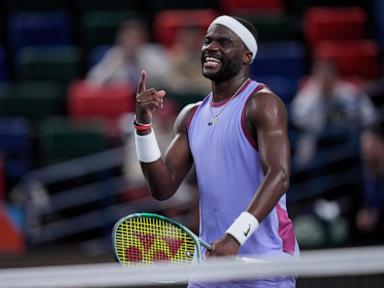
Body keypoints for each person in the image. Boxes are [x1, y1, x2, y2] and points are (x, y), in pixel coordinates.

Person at [134, 15, 298, 287]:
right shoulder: (191, 115)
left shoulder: (263, 104)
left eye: (224, 42)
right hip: (211, 264)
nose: (211, 47)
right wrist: (142, 124)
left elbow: (279, 175)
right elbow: (162, 187)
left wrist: (234, 237)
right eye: (208, 41)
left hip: (266, 264)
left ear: (246, 57)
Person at [290, 59, 377, 168]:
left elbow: (370, 116)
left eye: (329, 74)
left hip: (347, 139)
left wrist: (352, 116)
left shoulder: (349, 92)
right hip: (318, 141)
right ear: (315, 76)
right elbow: (297, 119)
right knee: (305, 145)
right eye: (322, 75)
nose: (326, 79)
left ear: (336, 75)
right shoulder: (306, 97)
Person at [86, 18, 171, 88]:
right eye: (127, 38)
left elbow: (168, 79)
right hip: (123, 104)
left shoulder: (154, 53)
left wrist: (142, 61)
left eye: (135, 38)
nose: (131, 43)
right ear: (120, 39)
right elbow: (92, 82)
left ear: (144, 39)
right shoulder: (114, 54)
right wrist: (113, 65)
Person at [355, 121, 384, 243]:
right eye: (363, 144)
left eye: (368, 143)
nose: (364, 149)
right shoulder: (363, 178)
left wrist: (376, 218)